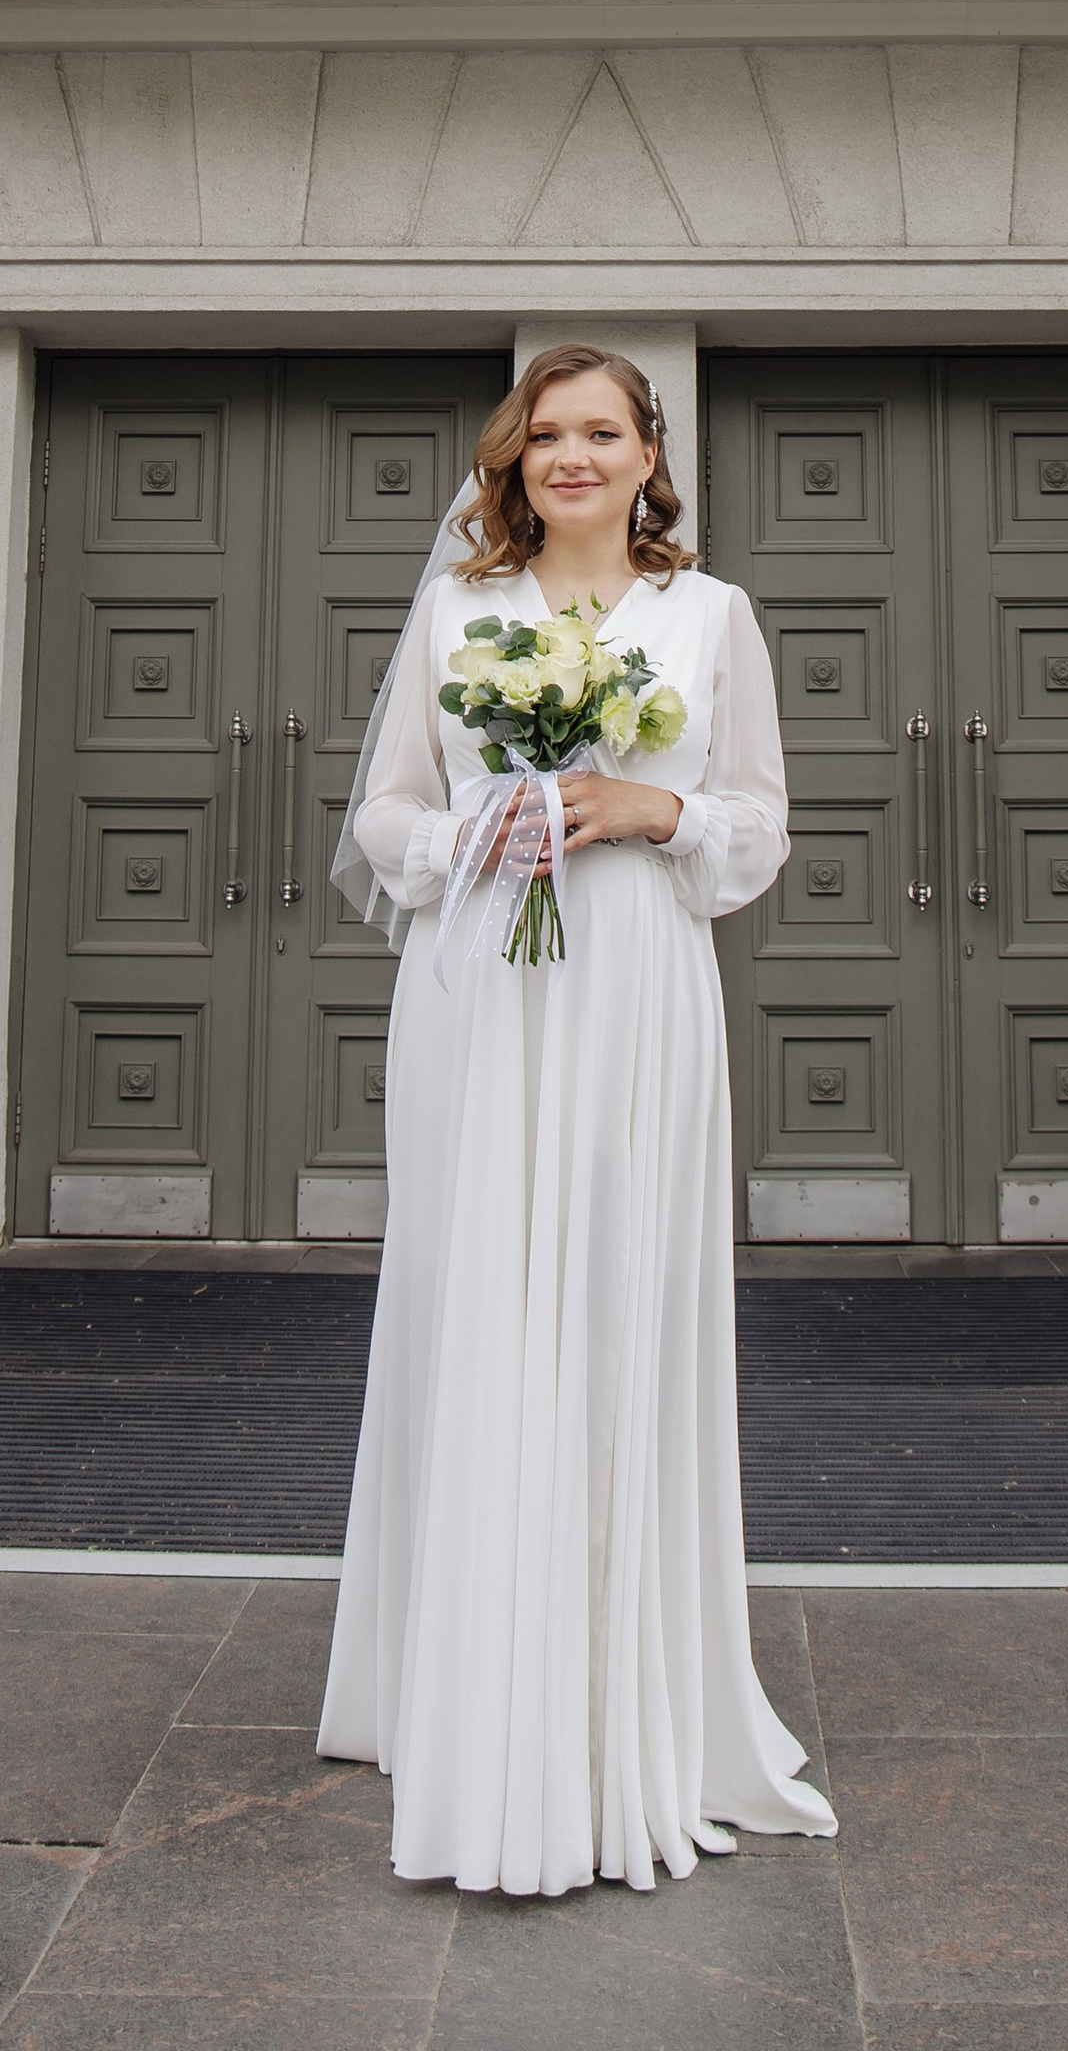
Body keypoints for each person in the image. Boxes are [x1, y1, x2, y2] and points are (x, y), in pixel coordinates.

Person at [316, 341, 838, 1898]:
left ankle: (624, 1706)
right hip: (483, 978)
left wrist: (647, 807)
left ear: (647, 452)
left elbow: (758, 825)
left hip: (635, 988)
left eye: (601, 432)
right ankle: (472, 1695)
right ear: (515, 456)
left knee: (618, 1305)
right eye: (547, 434)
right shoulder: (458, 610)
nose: (573, 457)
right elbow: (385, 818)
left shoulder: (711, 617)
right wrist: (496, 814)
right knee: (482, 1302)